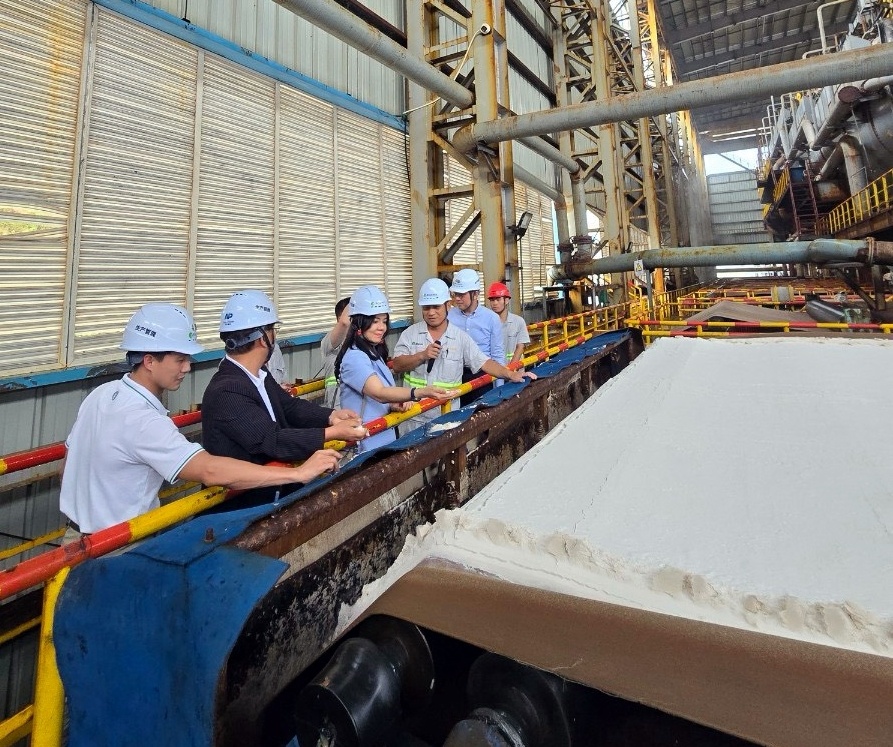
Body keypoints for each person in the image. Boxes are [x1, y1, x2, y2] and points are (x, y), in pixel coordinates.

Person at [59, 303, 341, 538]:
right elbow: (210, 470)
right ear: (149, 360)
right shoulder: (144, 420)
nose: (187, 368)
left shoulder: (102, 394)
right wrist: (297, 474)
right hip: (117, 543)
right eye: (179, 359)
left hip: (74, 537)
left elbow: (68, 461)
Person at [201, 290, 367, 465]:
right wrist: (331, 433)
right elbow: (271, 439)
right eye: (273, 330)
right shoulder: (227, 390)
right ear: (262, 338)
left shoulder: (259, 374)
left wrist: (331, 416)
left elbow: (289, 406)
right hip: (249, 483)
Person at [392, 278, 537, 432]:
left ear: (448, 305)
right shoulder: (410, 334)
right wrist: (421, 355)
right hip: (413, 416)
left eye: (436, 307)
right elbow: (397, 365)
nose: (431, 313)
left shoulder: (460, 338)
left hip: (447, 416)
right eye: (426, 308)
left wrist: (511, 374)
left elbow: (484, 362)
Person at [335, 286, 452, 453]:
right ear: (359, 323)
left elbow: (374, 399)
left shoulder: (372, 353)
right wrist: (420, 392)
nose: (381, 327)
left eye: (384, 321)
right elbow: (379, 392)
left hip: (380, 439)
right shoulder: (355, 357)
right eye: (375, 321)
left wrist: (392, 405)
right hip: (364, 445)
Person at [447, 268, 506, 405]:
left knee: (483, 414)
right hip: (455, 377)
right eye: (455, 294)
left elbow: (497, 355)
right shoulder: (448, 317)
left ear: (475, 294)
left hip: (482, 377)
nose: (457, 298)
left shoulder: (491, 318)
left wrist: (500, 390)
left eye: (461, 294)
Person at [487, 282, 530, 366]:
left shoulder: (518, 321)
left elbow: (520, 347)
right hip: (495, 370)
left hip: (515, 370)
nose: (495, 303)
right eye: (492, 300)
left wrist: (510, 369)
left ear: (506, 300)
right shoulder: (486, 323)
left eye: (498, 299)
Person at [320, 296, 351, 408]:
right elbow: (344, 323)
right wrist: (357, 299)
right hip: (338, 406)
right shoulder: (330, 342)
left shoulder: (360, 342)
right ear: (339, 318)